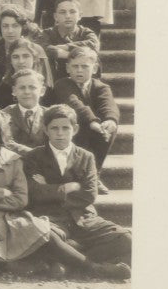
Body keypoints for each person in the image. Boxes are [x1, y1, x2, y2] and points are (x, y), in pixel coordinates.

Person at [24, 105, 132, 268]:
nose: (60, 133)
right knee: (45, 235)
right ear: (45, 130)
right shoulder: (33, 157)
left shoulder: (86, 157)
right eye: (54, 128)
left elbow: (89, 194)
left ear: (75, 129)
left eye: (65, 128)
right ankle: (95, 268)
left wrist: (49, 187)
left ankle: (68, 260)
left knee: (125, 239)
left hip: (84, 218)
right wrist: (67, 188)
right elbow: (34, 192)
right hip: (51, 217)